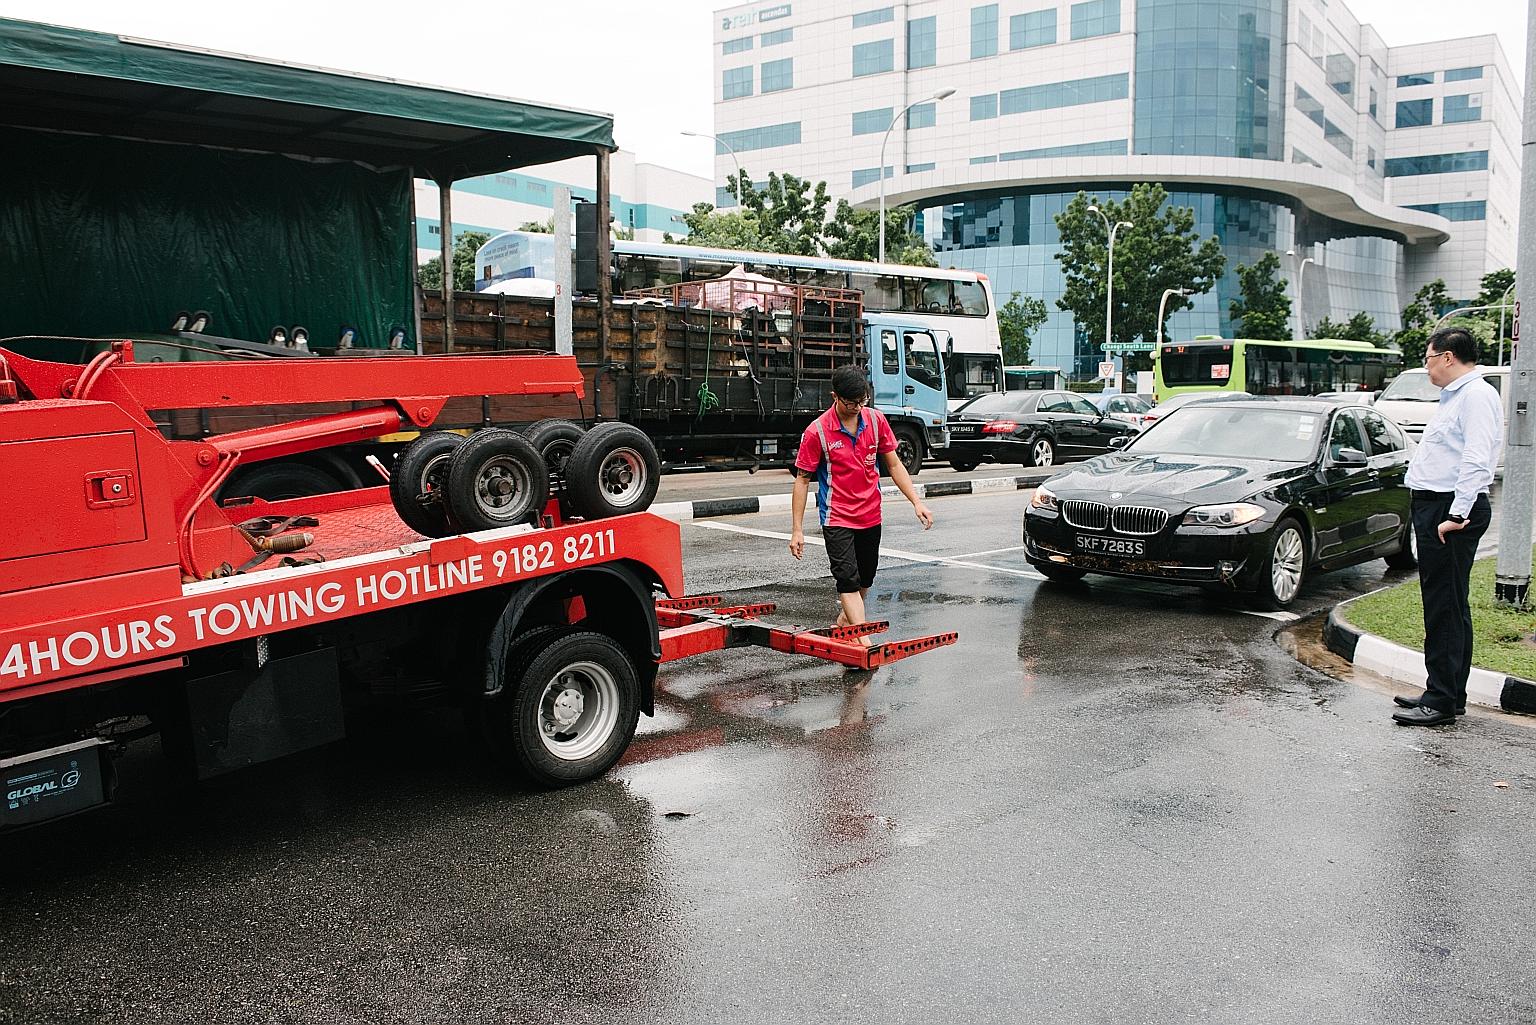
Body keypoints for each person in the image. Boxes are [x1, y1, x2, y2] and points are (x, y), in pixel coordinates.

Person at [1392, 326, 1503, 727]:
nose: (1427, 367)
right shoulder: (1460, 395)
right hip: (1439, 507)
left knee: (1444, 607)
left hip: (1449, 512)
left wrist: (1456, 515)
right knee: (1448, 605)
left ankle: (1441, 701)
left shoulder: (1475, 396)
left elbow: (1475, 458)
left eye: (1427, 358)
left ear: (1447, 357)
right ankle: (1447, 692)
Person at [789, 366, 934, 638]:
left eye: (862, 400)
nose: (857, 407)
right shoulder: (816, 432)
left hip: (870, 514)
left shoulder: (876, 421)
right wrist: (797, 529)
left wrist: (916, 501)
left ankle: (848, 619)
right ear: (835, 396)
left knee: (865, 578)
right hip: (836, 516)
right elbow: (802, 480)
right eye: (851, 402)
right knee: (847, 579)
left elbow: (894, 464)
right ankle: (862, 637)